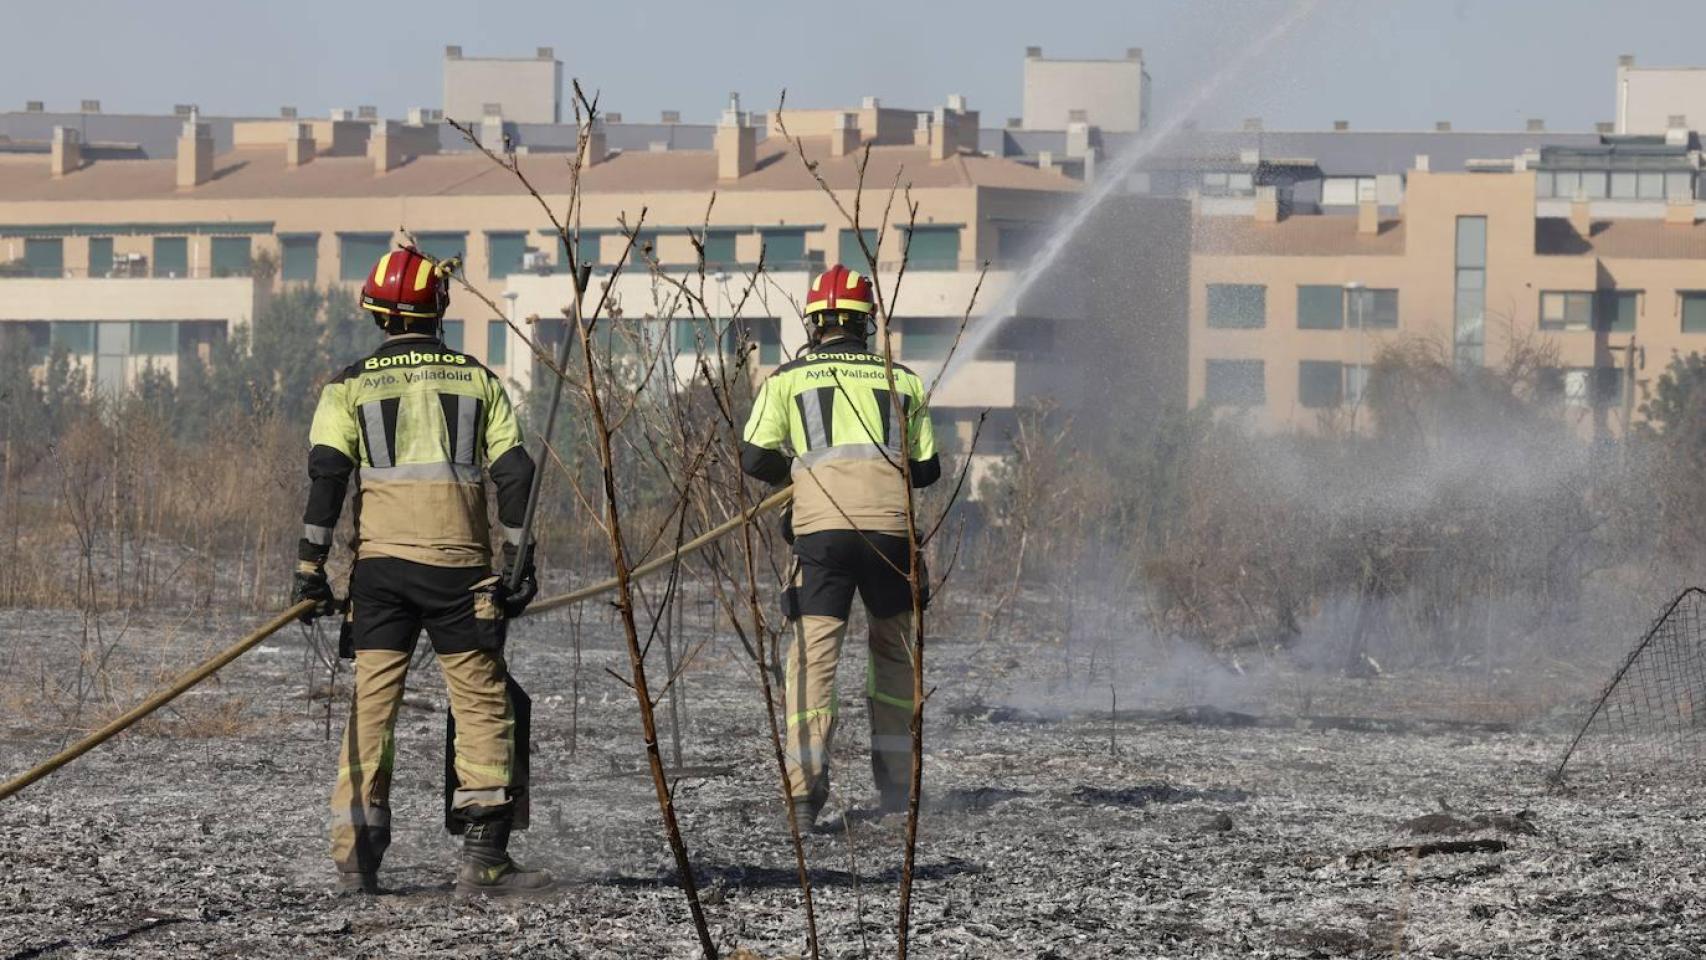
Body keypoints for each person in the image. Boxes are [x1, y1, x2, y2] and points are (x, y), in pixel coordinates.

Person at [291, 245, 547, 894]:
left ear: (377, 314)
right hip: (462, 574)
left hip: (380, 575)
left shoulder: (348, 385)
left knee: (372, 709)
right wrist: (518, 561)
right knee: (482, 704)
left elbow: (328, 475)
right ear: (440, 309)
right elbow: (515, 473)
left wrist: (310, 567)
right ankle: (484, 857)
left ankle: (357, 859)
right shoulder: (479, 380)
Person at [739, 263, 942, 827]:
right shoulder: (903, 381)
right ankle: (898, 789)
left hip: (821, 538)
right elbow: (927, 470)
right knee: (895, 656)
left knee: (813, 661)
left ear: (815, 324)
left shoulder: (787, 380)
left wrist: (800, 477)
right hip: (890, 538)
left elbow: (753, 456)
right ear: (865, 323)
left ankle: (804, 797)